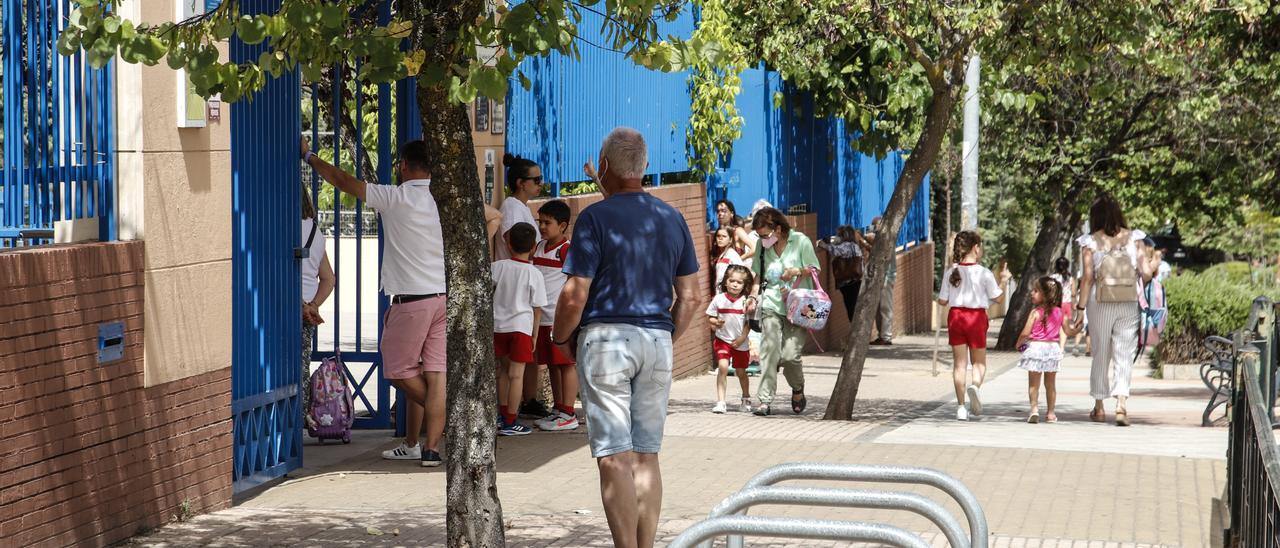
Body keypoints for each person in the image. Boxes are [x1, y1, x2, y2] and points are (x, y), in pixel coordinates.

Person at [551, 127, 701, 548]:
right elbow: (690, 297)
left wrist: (560, 338)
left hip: (606, 340)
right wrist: (666, 335)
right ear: (646, 166)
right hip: (656, 340)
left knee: (614, 455)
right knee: (646, 454)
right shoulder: (671, 217)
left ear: (603, 167)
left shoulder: (595, 219)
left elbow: (574, 293)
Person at [301, 137, 447, 467]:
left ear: (404, 166)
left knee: (398, 370)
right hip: (442, 299)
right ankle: (428, 448)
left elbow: (342, 181)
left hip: (412, 301)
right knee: (434, 375)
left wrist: (309, 155)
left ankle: (450, 416)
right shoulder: (444, 199)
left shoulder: (397, 197)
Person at [1071, 194, 1156, 427]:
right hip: (1128, 301)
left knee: (1101, 352)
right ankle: (1121, 405)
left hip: (1100, 301)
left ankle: (1099, 406)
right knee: (1124, 353)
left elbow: (1087, 277)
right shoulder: (1134, 239)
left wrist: (1080, 309)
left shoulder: (1090, 242)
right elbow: (1147, 272)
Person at [749, 206, 820, 416]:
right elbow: (758, 274)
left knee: (790, 356)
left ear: (778, 229)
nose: (763, 239)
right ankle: (764, 400)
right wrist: (753, 296)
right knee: (770, 349)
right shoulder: (762, 247)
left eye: (765, 235)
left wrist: (796, 271)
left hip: (800, 305)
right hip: (772, 303)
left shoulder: (800, 241)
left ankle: (798, 388)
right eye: (760, 236)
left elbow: (814, 269)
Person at [936, 230, 1009, 421]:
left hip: (956, 317)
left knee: (959, 365)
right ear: (976, 248)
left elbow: (942, 301)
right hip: (976, 318)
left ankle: (960, 407)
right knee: (979, 362)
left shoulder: (951, 272)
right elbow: (998, 298)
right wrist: (1003, 281)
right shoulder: (984, 273)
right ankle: (975, 386)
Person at [492, 222, 548, 436]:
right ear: (534, 246)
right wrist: (534, 336)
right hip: (521, 329)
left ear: (508, 242)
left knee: (503, 374)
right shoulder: (534, 274)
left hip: (498, 327)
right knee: (517, 376)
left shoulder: (498, 266)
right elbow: (537, 308)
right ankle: (511, 421)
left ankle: (501, 413)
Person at [532, 199, 580, 432]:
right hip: (542, 318)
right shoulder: (539, 247)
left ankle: (569, 412)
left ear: (562, 226)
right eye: (539, 221)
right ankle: (558, 409)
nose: (542, 227)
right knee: (552, 364)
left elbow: (575, 283)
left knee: (566, 364)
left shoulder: (567, 250)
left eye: (547, 223)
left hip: (559, 319)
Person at [1015, 276, 1081, 424]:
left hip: (1036, 348)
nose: (1032, 293)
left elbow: (1025, 333)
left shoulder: (1035, 313)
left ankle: (1034, 410)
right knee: (1050, 384)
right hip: (1052, 348)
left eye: (1036, 291)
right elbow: (1068, 332)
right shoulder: (1060, 313)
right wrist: (1078, 330)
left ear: (1045, 295)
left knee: (1034, 383)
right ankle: (1051, 413)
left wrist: (1019, 344)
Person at [300, 185, 335, 418]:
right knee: (300, 368)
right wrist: (312, 305)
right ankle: (298, 420)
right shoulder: (315, 232)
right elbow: (328, 278)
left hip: (278, 308)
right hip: (306, 314)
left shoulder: (273, 224)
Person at [706, 265, 754, 413]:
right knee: (723, 367)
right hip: (722, 340)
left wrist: (742, 337)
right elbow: (711, 318)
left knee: (741, 372)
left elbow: (748, 323)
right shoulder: (719, 299)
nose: (734, 284)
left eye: (739, 282)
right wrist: (716, 323)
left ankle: (746, 398)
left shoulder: (746, 301)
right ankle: (721, 402)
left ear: (744, 285)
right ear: (725, 282)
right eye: (731, 280)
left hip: (740, 342)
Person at [816, 225, 869, 322]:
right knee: (855, 307)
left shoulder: (846, 245)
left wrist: (823, 244)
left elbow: (834, 251)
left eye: (838, 235)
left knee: (850, 307)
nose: (836, 237)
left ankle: (854, 330)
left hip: (847, 282)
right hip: (857, 280)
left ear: (844, 236)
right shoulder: (855, 246)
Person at [497, 153, 543, 260]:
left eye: (541, 178)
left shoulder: (520, 206)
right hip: (516, 275)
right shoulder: (512, 208)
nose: (541, 183)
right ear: (520, 183)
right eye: (536, 180)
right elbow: (518, 250)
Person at [867, 216, 896, 345]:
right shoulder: (881, 239)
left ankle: (886, 336)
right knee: (878, 308)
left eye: (874, 225)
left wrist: (862, 240)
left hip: (886, 277)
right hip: (879, 277)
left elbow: (878, 250)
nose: (872, 227)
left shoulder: (886, 238)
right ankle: (882, 335)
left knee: (885, 307)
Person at [1050, 257, 1076, 348]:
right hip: (1066, 304)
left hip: (1055, 304)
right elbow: (1073, 293)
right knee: (1064, 326)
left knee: (1054, 324)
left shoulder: (1052, 278)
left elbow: (1050, 292)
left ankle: (1054, 345)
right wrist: (1074, 305)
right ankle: (1061, 347)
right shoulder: (1071, 278)